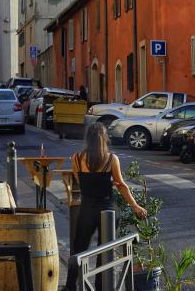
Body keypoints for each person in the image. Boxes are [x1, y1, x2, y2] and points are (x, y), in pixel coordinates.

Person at [65, 123, 146, 290]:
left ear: (88, 139)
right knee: (105, 252)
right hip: (107, 209)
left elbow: (81, 183)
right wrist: (135, 205)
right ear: (104, 138)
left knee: (79, 248)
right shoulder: (111, 159)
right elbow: (121, 185)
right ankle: (102, 287)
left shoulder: (76, 159)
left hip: (87, 208)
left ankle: (70, 286)